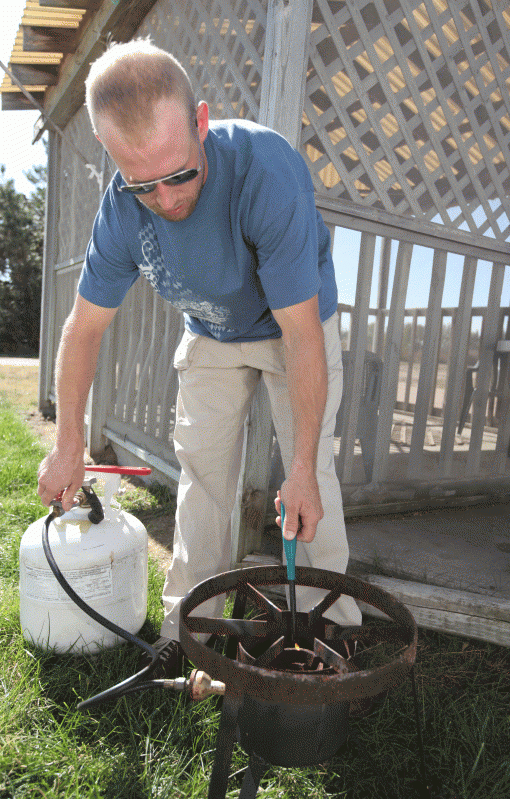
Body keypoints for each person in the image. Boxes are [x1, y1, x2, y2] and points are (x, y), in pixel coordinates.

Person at [37, 39, 361, 671]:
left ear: (201, 121)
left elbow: (301, 335)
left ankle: (333, 626)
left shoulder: (266, 171)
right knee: (202, 479)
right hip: (212, 331)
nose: (166, 201)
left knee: (311, 476)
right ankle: (191, 628)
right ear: (109, 151)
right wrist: (68, 441)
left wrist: (297, 464)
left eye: (179, 174)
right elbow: (83, 329)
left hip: (292, 325)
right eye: (142, 184)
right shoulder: (120, 210)